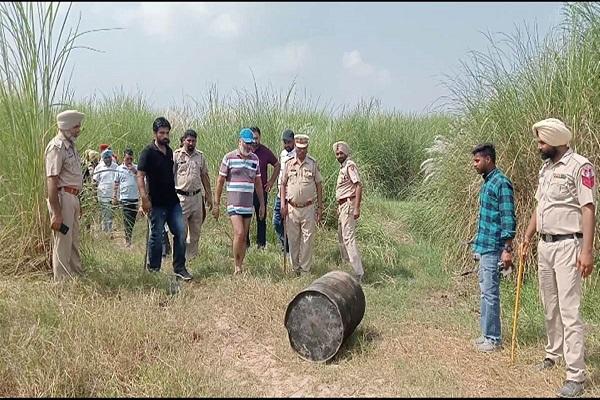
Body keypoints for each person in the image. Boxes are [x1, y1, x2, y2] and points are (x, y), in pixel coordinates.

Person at [523, 118, 596, 398]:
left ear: (555, 141)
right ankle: (552, 354)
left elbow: (588, 208)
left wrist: (586, 250)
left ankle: (576, 375)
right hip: (545, 246)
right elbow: (540, 207)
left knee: (569, 309)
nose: (539, 147)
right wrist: (528, 237)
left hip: (569, 246)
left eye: (542, 142)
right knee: (549, 305)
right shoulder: (546, 169)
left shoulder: (580, 166)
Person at [470, 143, 516, 353]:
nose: (474, 165)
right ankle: (486, 334)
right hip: (484, 245)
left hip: (494, 247)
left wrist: (507, 249)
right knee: (484, 292)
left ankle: (494, 339)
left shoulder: (501, 183)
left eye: (477, 160)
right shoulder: (487, 183)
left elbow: (508, 218)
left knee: (490, 293)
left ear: (488, 159)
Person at [136, 117, 192, 281]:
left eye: (167, 132)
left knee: (181, 232)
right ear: (155, 133)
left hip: (173, 201)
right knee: (157, 236)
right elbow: (140, 176)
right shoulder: (147, 152)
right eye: (162, 133)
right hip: (157, 203)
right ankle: (154, 270)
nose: (165, 135)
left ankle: (180, 268)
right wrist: (144, 199)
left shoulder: (169, 152)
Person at [212, 128, 265, 275]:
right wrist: (216, 203)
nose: (249, 146)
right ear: (239, 141)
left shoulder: (255, 159)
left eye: (251, 144)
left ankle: (241, 264)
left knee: (244, 236)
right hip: (234, 203)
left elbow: (258, 183)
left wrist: (262, 204)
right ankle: (236, 266)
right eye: (246, 143)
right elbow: (220, 181)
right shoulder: (229, 157)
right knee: (239, 233)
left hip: (248, 205)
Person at [44, 109, 85, 281]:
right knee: (63, 241)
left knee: (73, 239)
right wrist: (57, 213)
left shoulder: (71, 147)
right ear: (67, 127)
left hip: (72, 198)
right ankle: (62, 282)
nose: (78, 130)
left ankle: (76, 274)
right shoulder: (56, 147)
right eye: (76, 127)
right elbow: (52, 181)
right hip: (63, 199)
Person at [280, 134, 324, 275]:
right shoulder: (288, 163)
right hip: (292, 207)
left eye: (304, 149)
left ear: (307, 148)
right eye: (299, 149)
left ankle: (305, 269)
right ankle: (295, 268)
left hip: (308, 207)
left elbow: (318, 184)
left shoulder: (312, 163)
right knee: (293, 240)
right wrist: (283, 204)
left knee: (307, 239)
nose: (301, 152)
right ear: (295, 147)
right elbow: (283, 184)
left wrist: (320, 208)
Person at [174, 129, 213, 259]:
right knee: (181, 231)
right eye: (189, 140)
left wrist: (209, 195)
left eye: (193, 141)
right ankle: (180, 258)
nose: (191, 143)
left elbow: (205, 176)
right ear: (184, 141)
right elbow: (170, 175)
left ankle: (191, 258)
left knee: (196, 230)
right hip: (181, 198)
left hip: (196, 197)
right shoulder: (176, 156)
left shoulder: (200, 156)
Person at [333, 141, 365, 283]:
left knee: (348, 238)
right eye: (337, 153)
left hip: (348, 204)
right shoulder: (343, 167)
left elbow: (358, 185)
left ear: (346, 153)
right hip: (343, 206)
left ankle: (358, 272)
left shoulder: (350, 166)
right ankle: (347, 268)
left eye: (341, 153)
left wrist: (356, 207)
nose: (339, 155)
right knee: (341, 237)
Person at [245, 126, 279, 249]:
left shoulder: (265, 151)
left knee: (261, 218)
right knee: (246, 217)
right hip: (247, 191)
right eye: (252, 138)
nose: (254, 141)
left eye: (257, 138)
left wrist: (271, 181)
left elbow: (277, 165)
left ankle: (261, 245)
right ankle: (246, 244)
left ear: (260, 138)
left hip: (261, 191)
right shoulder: (245, 151)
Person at [273, 129, 296, 258]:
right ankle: (285, 245)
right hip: (279, 194)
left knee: (290, 223)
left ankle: (291, 249)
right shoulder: (283, 154)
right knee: (276, 221)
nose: (286, 145)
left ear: (293, 141)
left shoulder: (296, 155)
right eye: (284, 142)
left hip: (290, 195)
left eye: (288, 142)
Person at [113, 148, 139, 248]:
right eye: (127, 159)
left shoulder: (136, 167)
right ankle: (128, 240)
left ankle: (130, 236)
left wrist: (134, 171)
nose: (129, 161)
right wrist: (114, 196)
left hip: (135, 198)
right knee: (127, 219)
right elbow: (116, 183)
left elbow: (141, 180)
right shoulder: (119, 169)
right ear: (124, 158)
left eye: (131, 159)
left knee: (132, 220)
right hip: (124, 198)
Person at [93, 149, 119, 235]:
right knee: (104, 212)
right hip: (102, 194)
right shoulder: (99, 167)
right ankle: (105, 231)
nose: (108, 159)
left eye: (109, 157)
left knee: (110, 213)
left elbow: (118, 180)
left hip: (113, 194)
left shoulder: (115, 166)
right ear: (103, 158)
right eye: (105, 158)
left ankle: (109, 230)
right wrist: (94, 195)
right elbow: (94, 182)